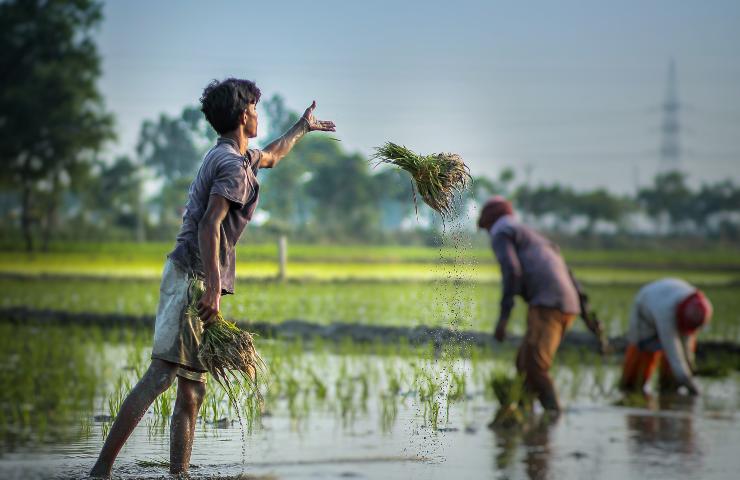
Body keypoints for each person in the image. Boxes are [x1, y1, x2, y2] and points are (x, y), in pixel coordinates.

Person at [90, 78, 335, 477]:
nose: (258, 114)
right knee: (161, 376)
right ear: (244, 115)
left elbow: (273, 155)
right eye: (255, 108)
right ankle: (100, 471)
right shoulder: (230, 165)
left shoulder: (232, 156)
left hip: (195, 277)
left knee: (192, 387)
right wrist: (215, 288)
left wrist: (303, 126)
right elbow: (210, 224)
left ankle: (179, 474)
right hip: (193, 278)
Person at [478, 196, 606, 412]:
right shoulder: (535, 237)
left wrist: (503, 319)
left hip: (548, 304)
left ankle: (553, 416)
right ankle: (522, 414)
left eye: (486, 228)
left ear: (491, 221)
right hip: (567, 305)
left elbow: (512, 271)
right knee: (523, 364)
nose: (488, 233)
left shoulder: (502, 232)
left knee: (535, 368)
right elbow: (570, 277)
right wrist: (591, 321)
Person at [620, 278, 712, 395]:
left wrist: (690, 366)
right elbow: (673, 352)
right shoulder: (666, 312)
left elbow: (686, 344)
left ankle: (668, 389)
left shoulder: (699, 307)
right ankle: (631, 391)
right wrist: (692, 388)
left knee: (673, 373)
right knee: (641, 361)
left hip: (665, 301)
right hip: (644, 312)